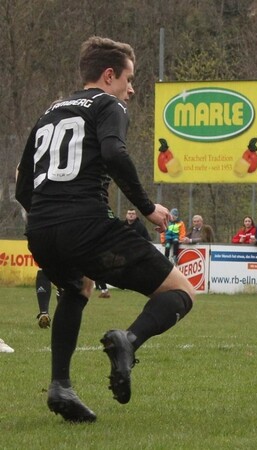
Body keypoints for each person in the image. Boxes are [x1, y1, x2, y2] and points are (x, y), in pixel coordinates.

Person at [15, 36, 195, 423]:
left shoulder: (48, 113)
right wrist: (147, 208)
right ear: (109, 75)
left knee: (76, 287)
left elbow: (21, 186)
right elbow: (114, 153)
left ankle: (60, 385)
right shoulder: (107, 104)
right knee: (182, 292)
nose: (131, 89)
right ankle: (128, 341)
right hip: (85, 224)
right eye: (129, 79)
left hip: (41, 231)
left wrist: (47, 219)